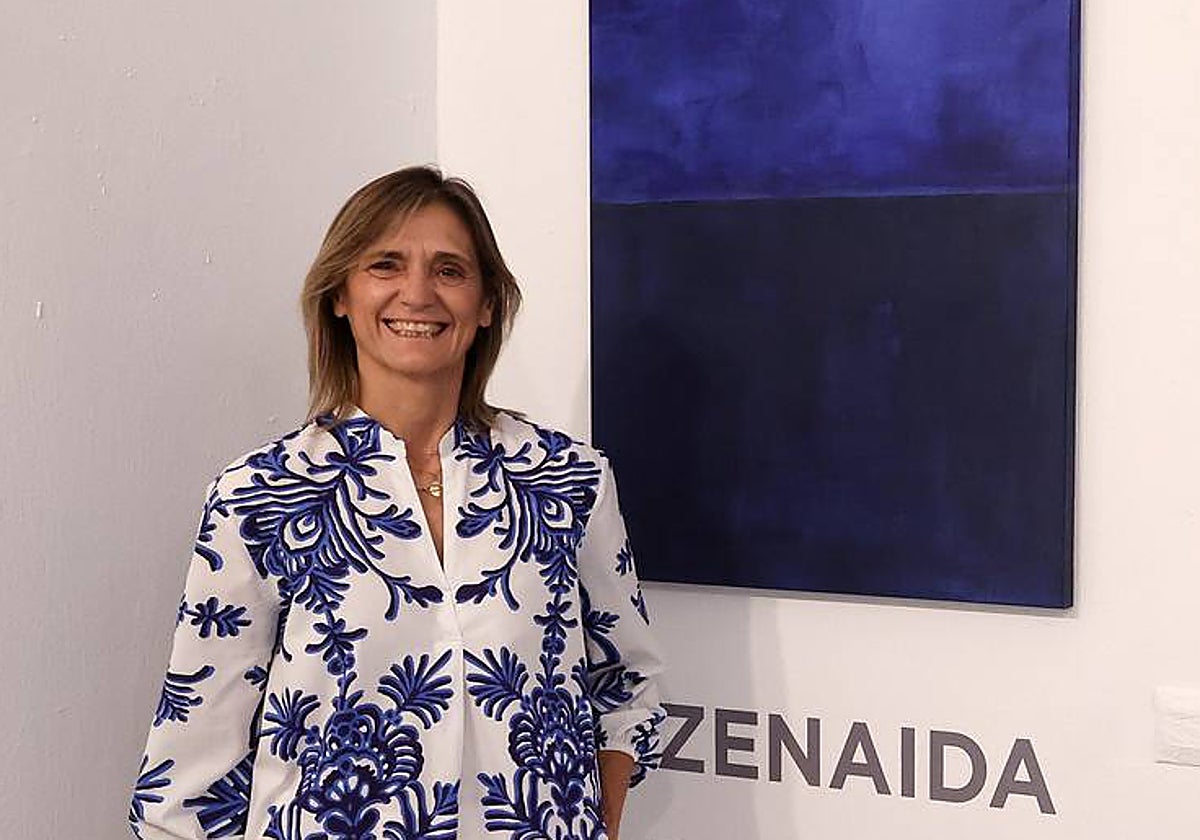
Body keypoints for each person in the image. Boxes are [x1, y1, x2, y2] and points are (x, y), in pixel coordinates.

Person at [130, 166, 665, 840]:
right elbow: (190, 768)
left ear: (487, 303)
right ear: (340, 295)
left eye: (449, 270)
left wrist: (593, 823)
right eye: (385, 264)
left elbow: (627, 685)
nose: (417, 293)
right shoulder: (259, 496)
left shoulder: (569, 481)